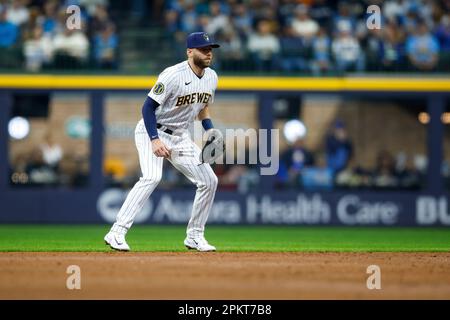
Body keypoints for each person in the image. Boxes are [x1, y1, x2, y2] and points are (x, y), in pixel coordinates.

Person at [104, 32, 220, 252]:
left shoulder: (212, 76)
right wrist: (155, 140)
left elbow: (203, 106)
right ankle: (116, 232)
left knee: (210, 181)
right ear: (189, 52)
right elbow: (147, 107)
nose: (208, 53)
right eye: (203, 49)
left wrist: (210, 129)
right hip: (152, 131)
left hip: (180, 136)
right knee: (152, 176)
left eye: (210, 49)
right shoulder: (172, 74)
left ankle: (195, 236)